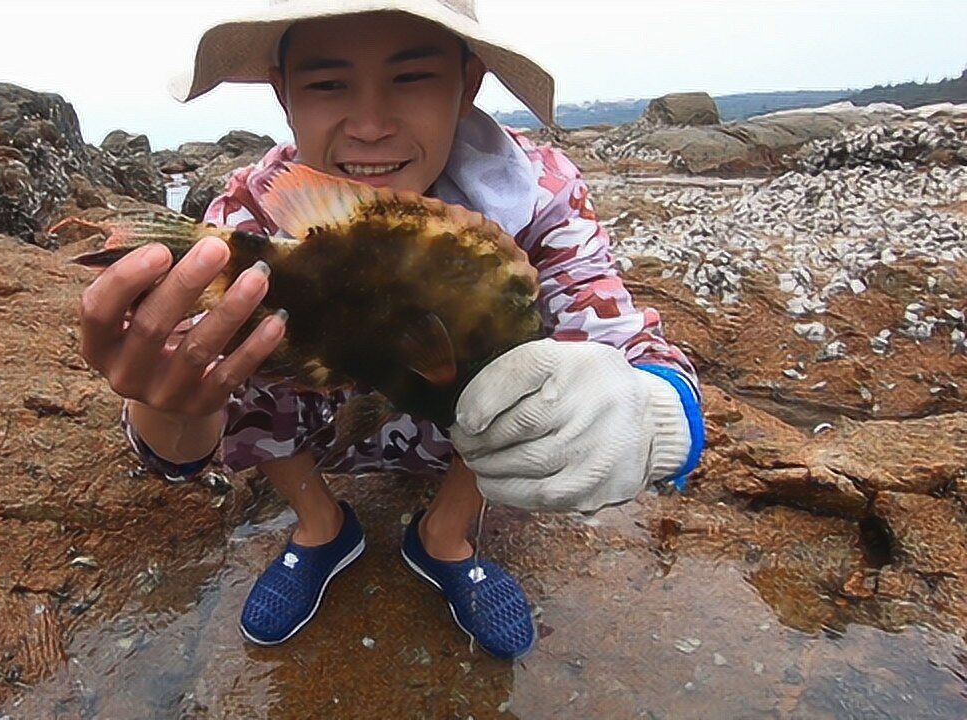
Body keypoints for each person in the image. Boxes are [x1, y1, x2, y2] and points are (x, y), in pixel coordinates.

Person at [79, 0, 704, 661]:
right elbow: (192, 407)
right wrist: (164, 404)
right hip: (321, 431)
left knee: (510, 352)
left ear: (467, 84)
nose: (371, 126)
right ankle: (320, 523)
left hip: (459, 441)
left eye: (411, 78)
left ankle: (446, 532)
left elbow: (632, 351)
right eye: (326, 84)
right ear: (283, 94)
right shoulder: (249, 213)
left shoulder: (540, 194)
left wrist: (651, 414)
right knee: (242, 334)